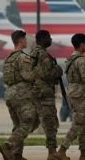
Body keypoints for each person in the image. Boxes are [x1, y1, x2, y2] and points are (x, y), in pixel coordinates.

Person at [0, 30, 37, 160]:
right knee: (28, 121)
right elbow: (29, 76)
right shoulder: (23, 58)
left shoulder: (8, 58)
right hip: (21, 94)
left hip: (10, 93)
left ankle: (16, 154)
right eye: (25, 39)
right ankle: (9, 145)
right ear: (21, 40)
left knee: (18, 125)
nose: (26, 42)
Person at [60, 34, 85, 160]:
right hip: (79, 94)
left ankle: (84, 153)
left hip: (74, 92)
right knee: (79, 123)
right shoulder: (81, 60)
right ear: (81, 44)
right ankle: (62, 150)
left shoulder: (71, 58)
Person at [31, 30, 65, 160]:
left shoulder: (33, 53)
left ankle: (13, 148)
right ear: (43, 39)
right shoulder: (42, 54)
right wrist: (58, 70)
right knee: (51, 123)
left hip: (36, 92)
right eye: (49, 38)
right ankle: (52, 153)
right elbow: (47, 74)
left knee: (30, 123)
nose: (50, 40)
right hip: (44, 93)